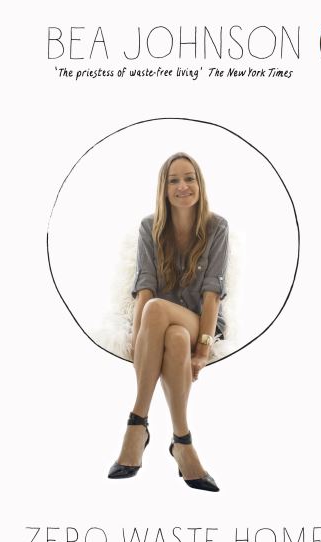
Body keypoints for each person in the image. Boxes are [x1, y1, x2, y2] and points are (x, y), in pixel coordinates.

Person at [108, 152, 229, 492]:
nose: (182, 186)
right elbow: (145, 286)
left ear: (200, 184)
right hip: (162, 323)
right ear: (163, 189)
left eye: (189, 178)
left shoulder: (217, 227)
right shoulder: (150, 227)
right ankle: (182, 442)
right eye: (174, 180)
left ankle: (137, 423)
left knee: (158, 311)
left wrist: (203, 350)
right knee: (172, 335)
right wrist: (139, 337)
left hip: (200, 322)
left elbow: (212, 294)